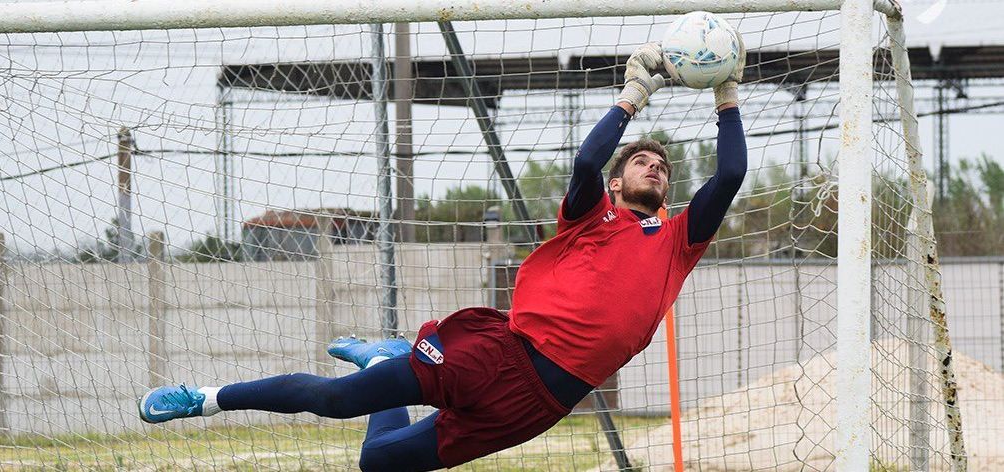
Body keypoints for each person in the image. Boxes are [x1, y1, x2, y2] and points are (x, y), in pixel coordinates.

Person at [136, 41, 747, 472]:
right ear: (619, 185)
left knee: (379, 461)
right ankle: (206, 397)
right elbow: (588, 162)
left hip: (543, 404)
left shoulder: (677, 241)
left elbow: (732, 172)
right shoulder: (593, 216)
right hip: (501, 353)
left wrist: (727, 94)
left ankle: (380, 356)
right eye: (643, 161)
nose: (656, 168)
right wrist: (632, 96)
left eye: (663, 168)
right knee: (339, 402)